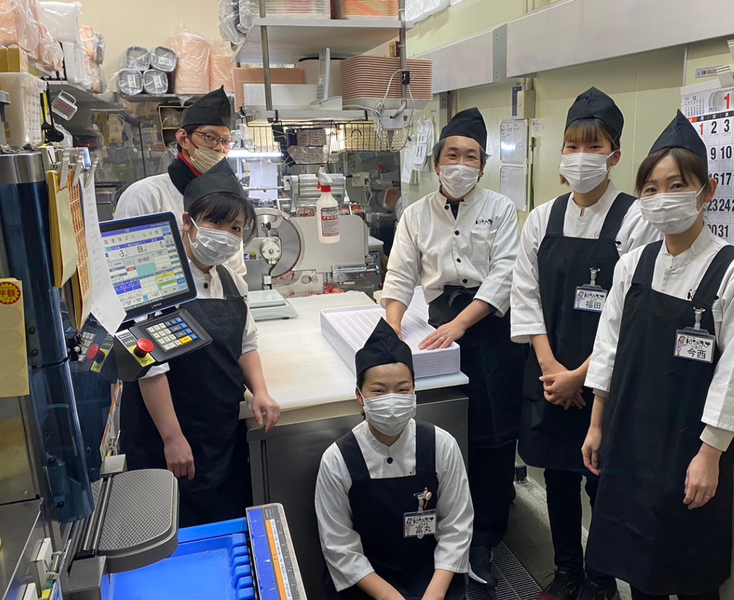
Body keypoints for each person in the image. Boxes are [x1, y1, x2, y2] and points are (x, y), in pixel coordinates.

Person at [581, 111, 734, 600]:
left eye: (676, 185)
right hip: (628, 437)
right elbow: (608, 347)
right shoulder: (632, 265)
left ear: (707, 191)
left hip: (690, 445)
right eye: (651, 188)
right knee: (635, 565)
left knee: (691, 570)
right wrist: (597, 424)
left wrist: (710, 454)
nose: (662, 198)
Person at [510, 87, 660, 600]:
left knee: (603, 482)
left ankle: (600, 580)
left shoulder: (636, 220)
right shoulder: (541, 218)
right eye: (572, 146)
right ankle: (566, 572)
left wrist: (583, 376)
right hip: (550, 375)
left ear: (614, 155)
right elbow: (525, 296)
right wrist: (552, 368)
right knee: (556, 478)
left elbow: (631, 313)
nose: (580, 157)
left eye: (593, 147)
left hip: (604, 381)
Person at [381, 107, 526, 588]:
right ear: (436, 161)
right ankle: (443, 527)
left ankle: (485, 538)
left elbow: (505, 273)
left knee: (494, 437)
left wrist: (462, 325)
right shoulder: (415, 215)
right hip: (439, 324)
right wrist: (392, 331)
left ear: (482, 167)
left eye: (471, 157)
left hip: (492, 329)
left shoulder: (501, 209)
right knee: (443, 429)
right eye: (453, 155)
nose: (461, 164)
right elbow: (400, 275)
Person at [119, 161, 281, 527]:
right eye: (215, 222)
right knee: (169, 525)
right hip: (165, 431)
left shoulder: (232, 282)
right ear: (187, 222)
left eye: (235, 227)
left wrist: (260, 391)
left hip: (219, 426)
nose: (225, 234)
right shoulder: (157, 282)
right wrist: (172, 438)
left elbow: (246, 343)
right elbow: (150, 367)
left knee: (222, 521)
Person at [315, 319, 473, 600]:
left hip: (432, 575)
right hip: (365, 581)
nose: (392, 400)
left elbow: (456, 527)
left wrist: (434, 594)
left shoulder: (441, 445)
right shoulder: (337, 459)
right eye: (378, 390)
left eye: (402, 389)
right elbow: (338, 545)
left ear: (414, 391)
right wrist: (389, 596)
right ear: (360, 396)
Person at [114, 86, 246, 275]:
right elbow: (128, 270)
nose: (219, 148)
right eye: (210, 137)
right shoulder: (146, 195)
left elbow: (235, 272)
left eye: (225, 141)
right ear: (183, 139)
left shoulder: (228, 200)